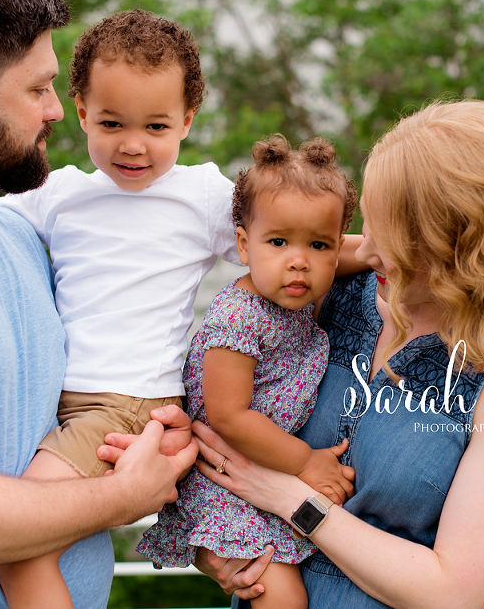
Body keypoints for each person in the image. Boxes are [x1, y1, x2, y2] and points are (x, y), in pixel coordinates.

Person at [102, 99, 484, 607]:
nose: (363, 249)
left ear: (453, 246)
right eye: (367, 223)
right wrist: (212, 539)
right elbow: (226, 414)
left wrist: (292, 499)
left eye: (388, 235)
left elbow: (453, 593)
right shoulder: (325, 294)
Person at [0, 0, 197, 609]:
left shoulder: (20, 237)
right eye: (38, 89)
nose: (57, 110)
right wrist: (125, 497)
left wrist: (148, 431)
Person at [0, 9, 244, 608]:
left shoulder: (202, 195)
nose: (133, 144)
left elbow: (285, 245)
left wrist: (372, 252)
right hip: (66, 405)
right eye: (111, 123)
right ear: (80, 112)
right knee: (38, 538)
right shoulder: (59, 193)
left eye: (156, 126)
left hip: (127, 404)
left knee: (19, 543)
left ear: (187, 120)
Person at [136, 135, 358, 609]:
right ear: (243, 244)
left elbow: (360, 253)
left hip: (262, 475)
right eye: (278, 242)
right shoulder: (240, 316)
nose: (298, 260)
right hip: (223, 485)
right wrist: (306, 463)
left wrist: (380, 252)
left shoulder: (294, 291)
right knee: (280, 595)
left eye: (318, 245)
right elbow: (228, 415)